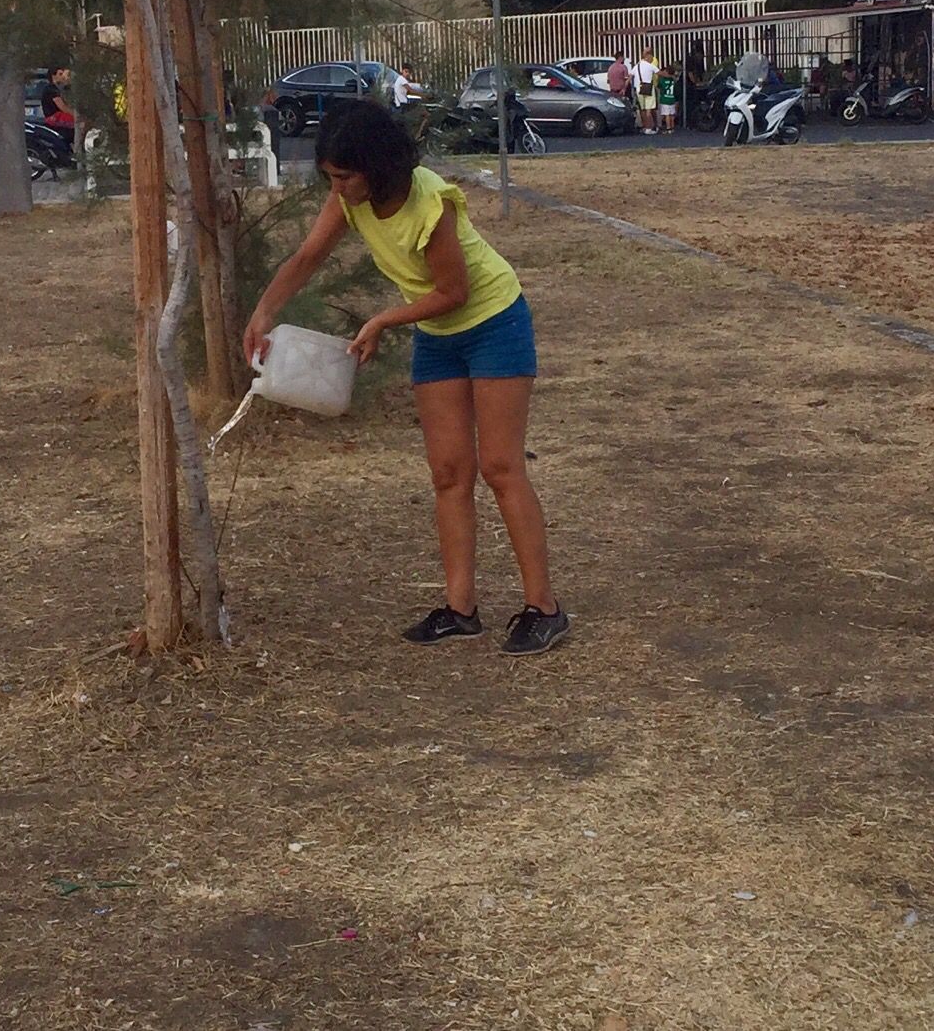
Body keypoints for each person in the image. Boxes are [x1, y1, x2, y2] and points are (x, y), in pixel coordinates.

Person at [242, 101, 568, 657]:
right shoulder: (352, 197)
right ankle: (460, 609)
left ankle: (544, 608)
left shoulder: (429, 203)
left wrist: (383, 320)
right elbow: (308, 256)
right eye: (330, 177)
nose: (337, 188)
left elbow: (454, 293)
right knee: (447, 471)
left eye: (344, 176)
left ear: (376, 166)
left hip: (493, 323)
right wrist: (263, 312)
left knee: (500, 466)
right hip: (438, 335)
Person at [634, 45, 659, 133]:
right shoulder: (650, 63)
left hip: (640, 87)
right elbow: (657, 72)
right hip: (649, 87)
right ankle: (650, 127)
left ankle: (647, 127)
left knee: (644, 109)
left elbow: (631, 75)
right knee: (649, 108)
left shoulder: (640, 63)